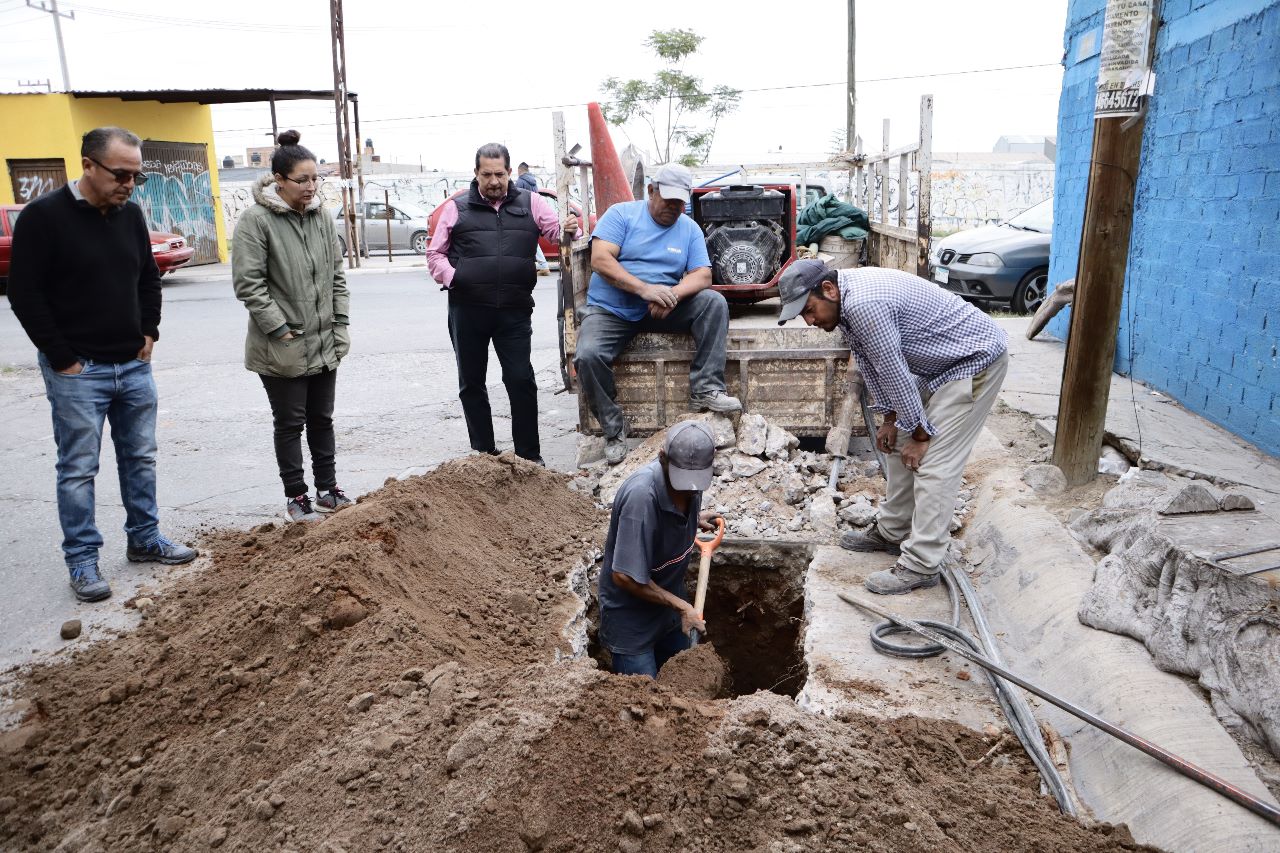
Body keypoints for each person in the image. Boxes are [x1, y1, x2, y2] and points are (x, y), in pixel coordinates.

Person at [8, 126, 198, 602]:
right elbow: (24, 295)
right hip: (78, 371)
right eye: (120, 174)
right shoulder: (43, 218)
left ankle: (145, 538)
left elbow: (147, 280)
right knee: (78, 469)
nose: (129, 184)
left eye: (137, 176)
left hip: (132, 365)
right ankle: (82, 560)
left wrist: (149, 333)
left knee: (141, 457)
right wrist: (63, 358)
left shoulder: (131, 215)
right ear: (88, 165)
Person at [777, 260, 1009, 594]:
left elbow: (896, 373)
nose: (810, 321)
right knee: (898, 444)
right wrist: (890, 420)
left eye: (810, 310)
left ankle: (921, 563)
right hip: (938, 366)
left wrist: (920, 434)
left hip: (973, 360)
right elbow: (874, 364)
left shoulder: (865, 305)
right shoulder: (846, 304)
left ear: (828, 290)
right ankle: (893, 531)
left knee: (933, 462)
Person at [575, 163, 741, 466]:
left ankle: (706, 389)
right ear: (651, 191)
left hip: (661, 307)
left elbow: (702, 275)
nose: (674, 208)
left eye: (680, 202)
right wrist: (644, 289)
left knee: (713, 303)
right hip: (612, 309)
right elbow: (600, 259)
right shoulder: (621, 215)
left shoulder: (688, 228)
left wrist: (673, 294)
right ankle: (613, 430)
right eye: (669, 201)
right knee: (587, 355)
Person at [427, 143, 577, 465]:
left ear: (510, 172)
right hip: (467, 311)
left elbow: (555, 232)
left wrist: (568, 228)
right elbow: (435, 254)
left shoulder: (531, 203)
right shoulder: (457, 207)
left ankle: (528, 457)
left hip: (514, 310)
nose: (494, 181)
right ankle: (484, 455)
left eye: (499, 174)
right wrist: (456, 278)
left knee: (521, 380)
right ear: (476, 174)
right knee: (471, 382)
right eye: (487, 175)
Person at [232, 130, 354, 523]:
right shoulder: (257, 220)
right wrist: (280, 329)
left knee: (323, 419)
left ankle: (328, 490)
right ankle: (296, 495)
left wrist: (340, 324)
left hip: (324, 340)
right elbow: (249, 285)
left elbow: (337, 275)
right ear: (279, 180)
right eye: (302, 180)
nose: (311, 186)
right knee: (290, 422)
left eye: (315, 178)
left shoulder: (320, 216)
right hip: (281, 345)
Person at [597, 421, 724, 677]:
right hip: (631, 621)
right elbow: (623, 576)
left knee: (685, 681)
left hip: (667, 611)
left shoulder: (691, 485)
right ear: (663, 458)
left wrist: (691, 517)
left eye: (695, 484)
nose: (689, 491)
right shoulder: (641, 499)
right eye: (682, 484)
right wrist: (682, 607)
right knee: (646, 703)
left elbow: (680, 501)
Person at [514, 163, 551, 276]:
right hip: (534, 213)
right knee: (531, 240)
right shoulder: (533, 181)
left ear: (520, 170)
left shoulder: (520, 181)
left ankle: (542, 265)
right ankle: (543, 265)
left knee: (524, 240)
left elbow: (517, 198)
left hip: (523, 214)